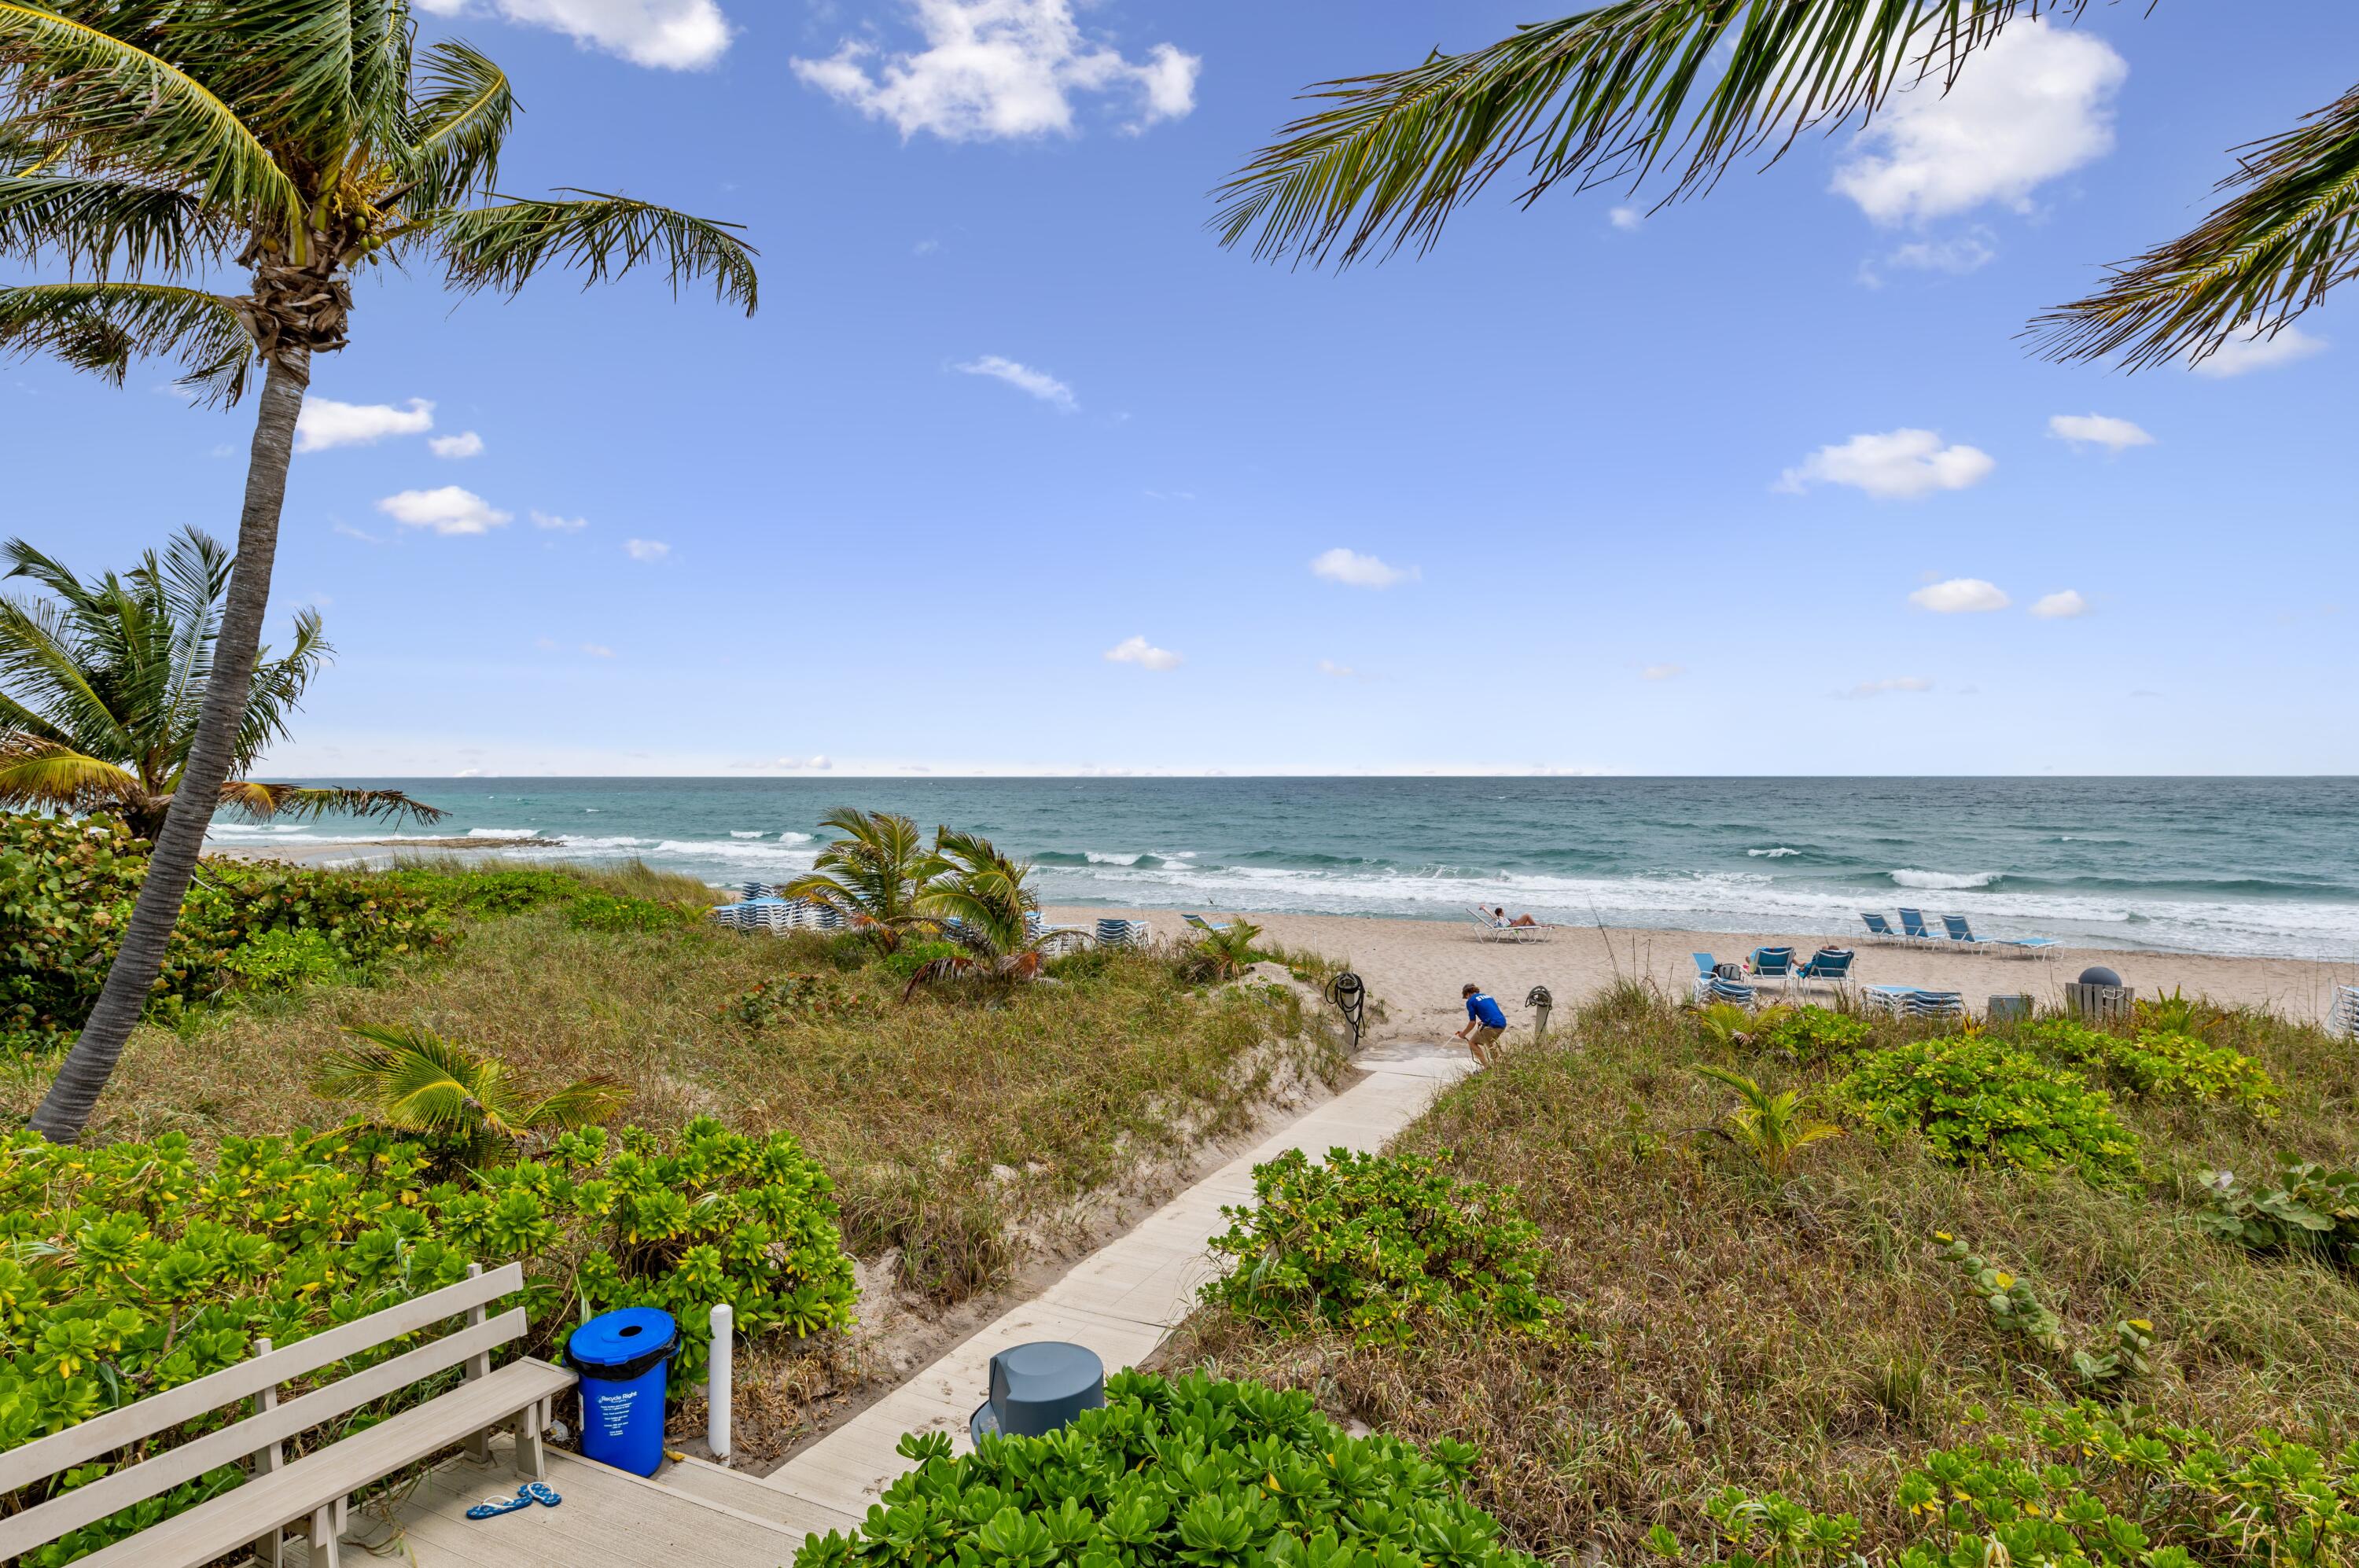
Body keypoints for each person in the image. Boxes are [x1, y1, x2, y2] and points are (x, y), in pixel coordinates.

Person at [1456, 982, 1507, 1066]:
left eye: (1466, 997)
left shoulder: (1471, 1001)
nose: (1467, 998)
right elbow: (1492, 1012)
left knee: (1472, 1043)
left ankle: (1487, 1067)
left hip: (1493, 1025)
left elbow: (1472, 1022)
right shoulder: (1488, 996)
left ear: (1467, 994)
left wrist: (1463, 1034)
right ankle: (1497, 1064)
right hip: (1502, 1023)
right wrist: (1484, 1022)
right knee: (1489, 1042)